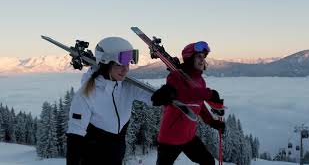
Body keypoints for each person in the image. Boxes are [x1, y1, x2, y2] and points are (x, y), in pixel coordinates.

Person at [66, 37, 152, 165]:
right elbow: (75, 137)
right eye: (119, 65)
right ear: (106, 65)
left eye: (128, 64)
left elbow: (153, 98)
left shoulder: (126, 86)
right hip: (92, 159)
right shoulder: (87, 93)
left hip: (116, 157)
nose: (126, 69)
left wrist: (166, 94)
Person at [151, 41, 225, 165]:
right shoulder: (176, 76)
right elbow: (185, 94)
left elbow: (199, 105)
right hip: (169, 139)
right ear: (190, 58)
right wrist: (210, 94)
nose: (202, 60)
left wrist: (212, 122)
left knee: (209, 162)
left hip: (189, 137)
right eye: (199, 56)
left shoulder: (200, 81)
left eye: (204, 56)